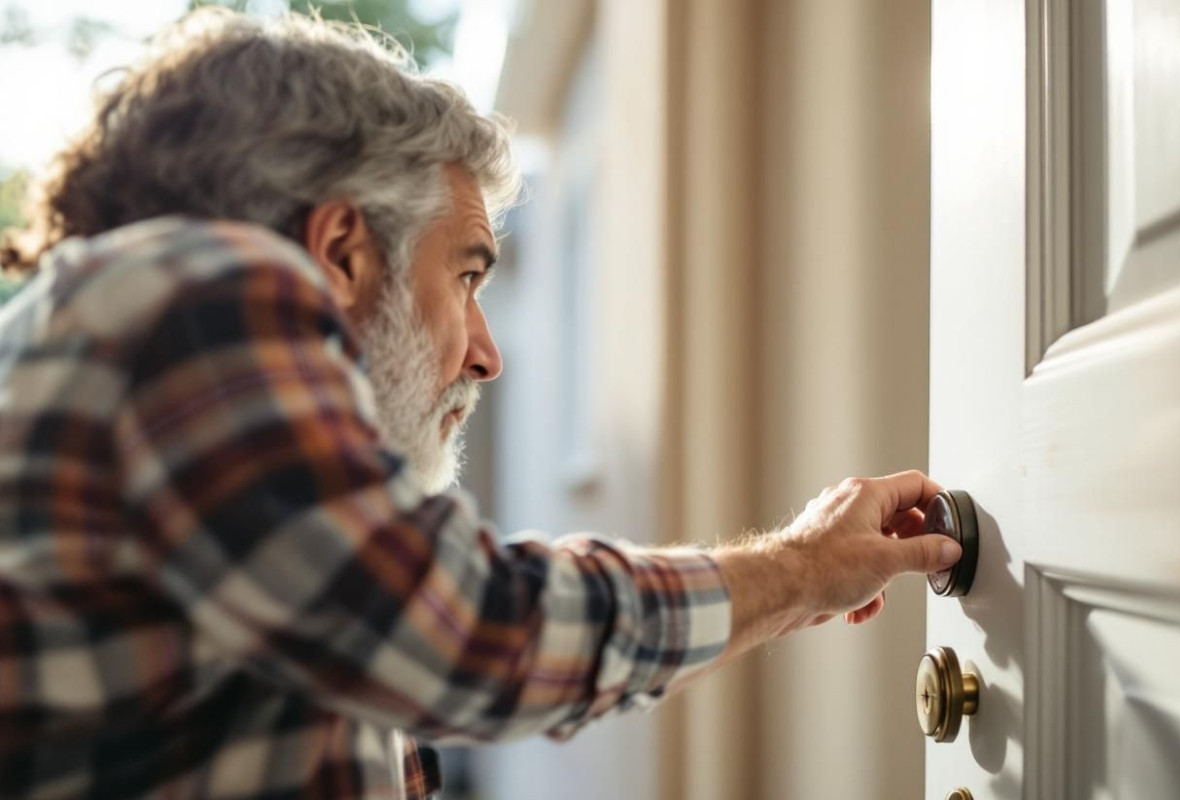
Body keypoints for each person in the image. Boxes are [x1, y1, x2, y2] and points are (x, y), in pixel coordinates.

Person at [0, 9, 962, 798]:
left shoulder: (131, 354)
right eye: (466, 277)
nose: (487, 354)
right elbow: (462, 631)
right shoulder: (192, 289)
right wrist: (799, 568)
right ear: (341, 250)